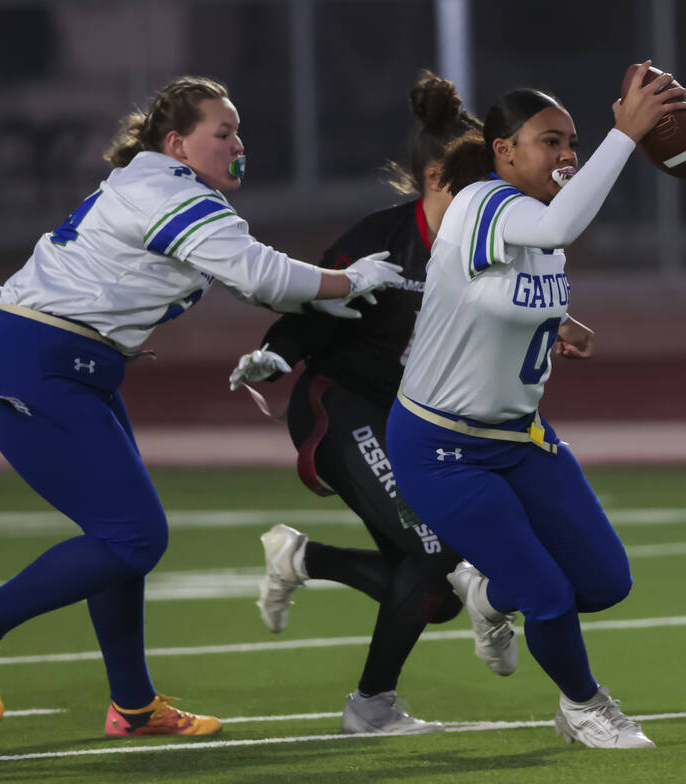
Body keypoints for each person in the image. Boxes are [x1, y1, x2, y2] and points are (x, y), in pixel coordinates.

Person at [0, 75, 403, 737]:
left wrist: (318, 296)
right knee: (134, 536)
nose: (238, 144)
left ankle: (133, 705)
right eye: (223, 132)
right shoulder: (166, 190)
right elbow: (260, 274)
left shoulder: (165, 189)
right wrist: (347, 279)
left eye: (238, 130)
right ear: (177, 143)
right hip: (39, 362)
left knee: (119, 537)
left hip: (62, 363)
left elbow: (250, 277)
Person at [384, 62, 686, 749]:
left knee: (605, 581)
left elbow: (511, 279)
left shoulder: (524, 221)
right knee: (549, 594)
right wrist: (625, 137)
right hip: (440, 447)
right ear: (503, 152)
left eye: (573, 141)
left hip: (518, 437)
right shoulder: (482, 202)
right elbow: (553, 228)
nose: (568, 154)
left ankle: (487, 596)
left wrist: (559, 320)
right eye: (550, 141)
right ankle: (583, 706)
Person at [225, 72, 480, 735]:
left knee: (436, 591)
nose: (494, 197)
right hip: (339, 405)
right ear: (433, 178)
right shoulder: (383, 239)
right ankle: (371, 708)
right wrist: (278, 353)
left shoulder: (485, 251)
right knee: (432, 561)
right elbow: (316, 307)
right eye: (478, 179)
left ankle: (303, 560)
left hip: (404, 427)